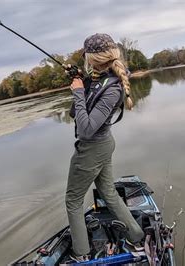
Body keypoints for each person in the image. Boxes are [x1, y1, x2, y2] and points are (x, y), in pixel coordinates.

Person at [66, 33, 144, 262]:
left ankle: (81, 254)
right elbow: (83, 106)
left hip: (92, 148)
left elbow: (87, 129)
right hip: (102, 145)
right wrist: (80, 81)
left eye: (86, 56)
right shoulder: (101, 79)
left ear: (93, 58)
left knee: (72, 201)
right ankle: (136, 235)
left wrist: (79, 92)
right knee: (108, 192)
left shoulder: (112, 88)